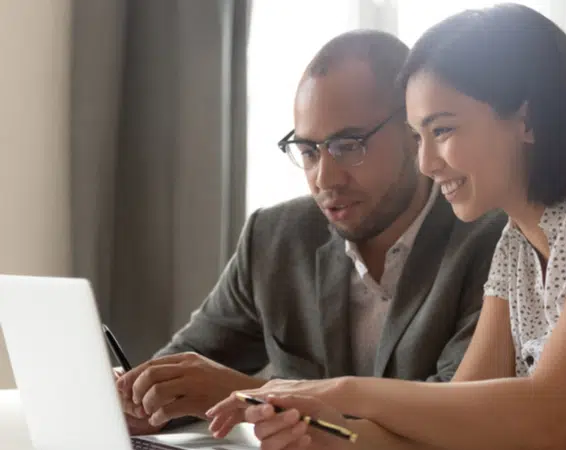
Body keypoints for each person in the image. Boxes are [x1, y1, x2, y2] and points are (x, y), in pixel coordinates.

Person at [206, 4, 566, 449]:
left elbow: (553, 416)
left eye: (443, 130)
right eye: (419, 136)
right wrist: (320, 432)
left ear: (526, 116)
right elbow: (452, 428)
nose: (425, 163)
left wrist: (339, 392)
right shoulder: (517, 245)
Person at [114, 29, 506, 436]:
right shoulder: (275, 237)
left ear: (413, 132)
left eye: (348, 146)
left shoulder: (492, 242)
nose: (325, 178)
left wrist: (254, 397)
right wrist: (132, 396)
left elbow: (456, 422)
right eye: (308, 151)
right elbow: (185, 376)